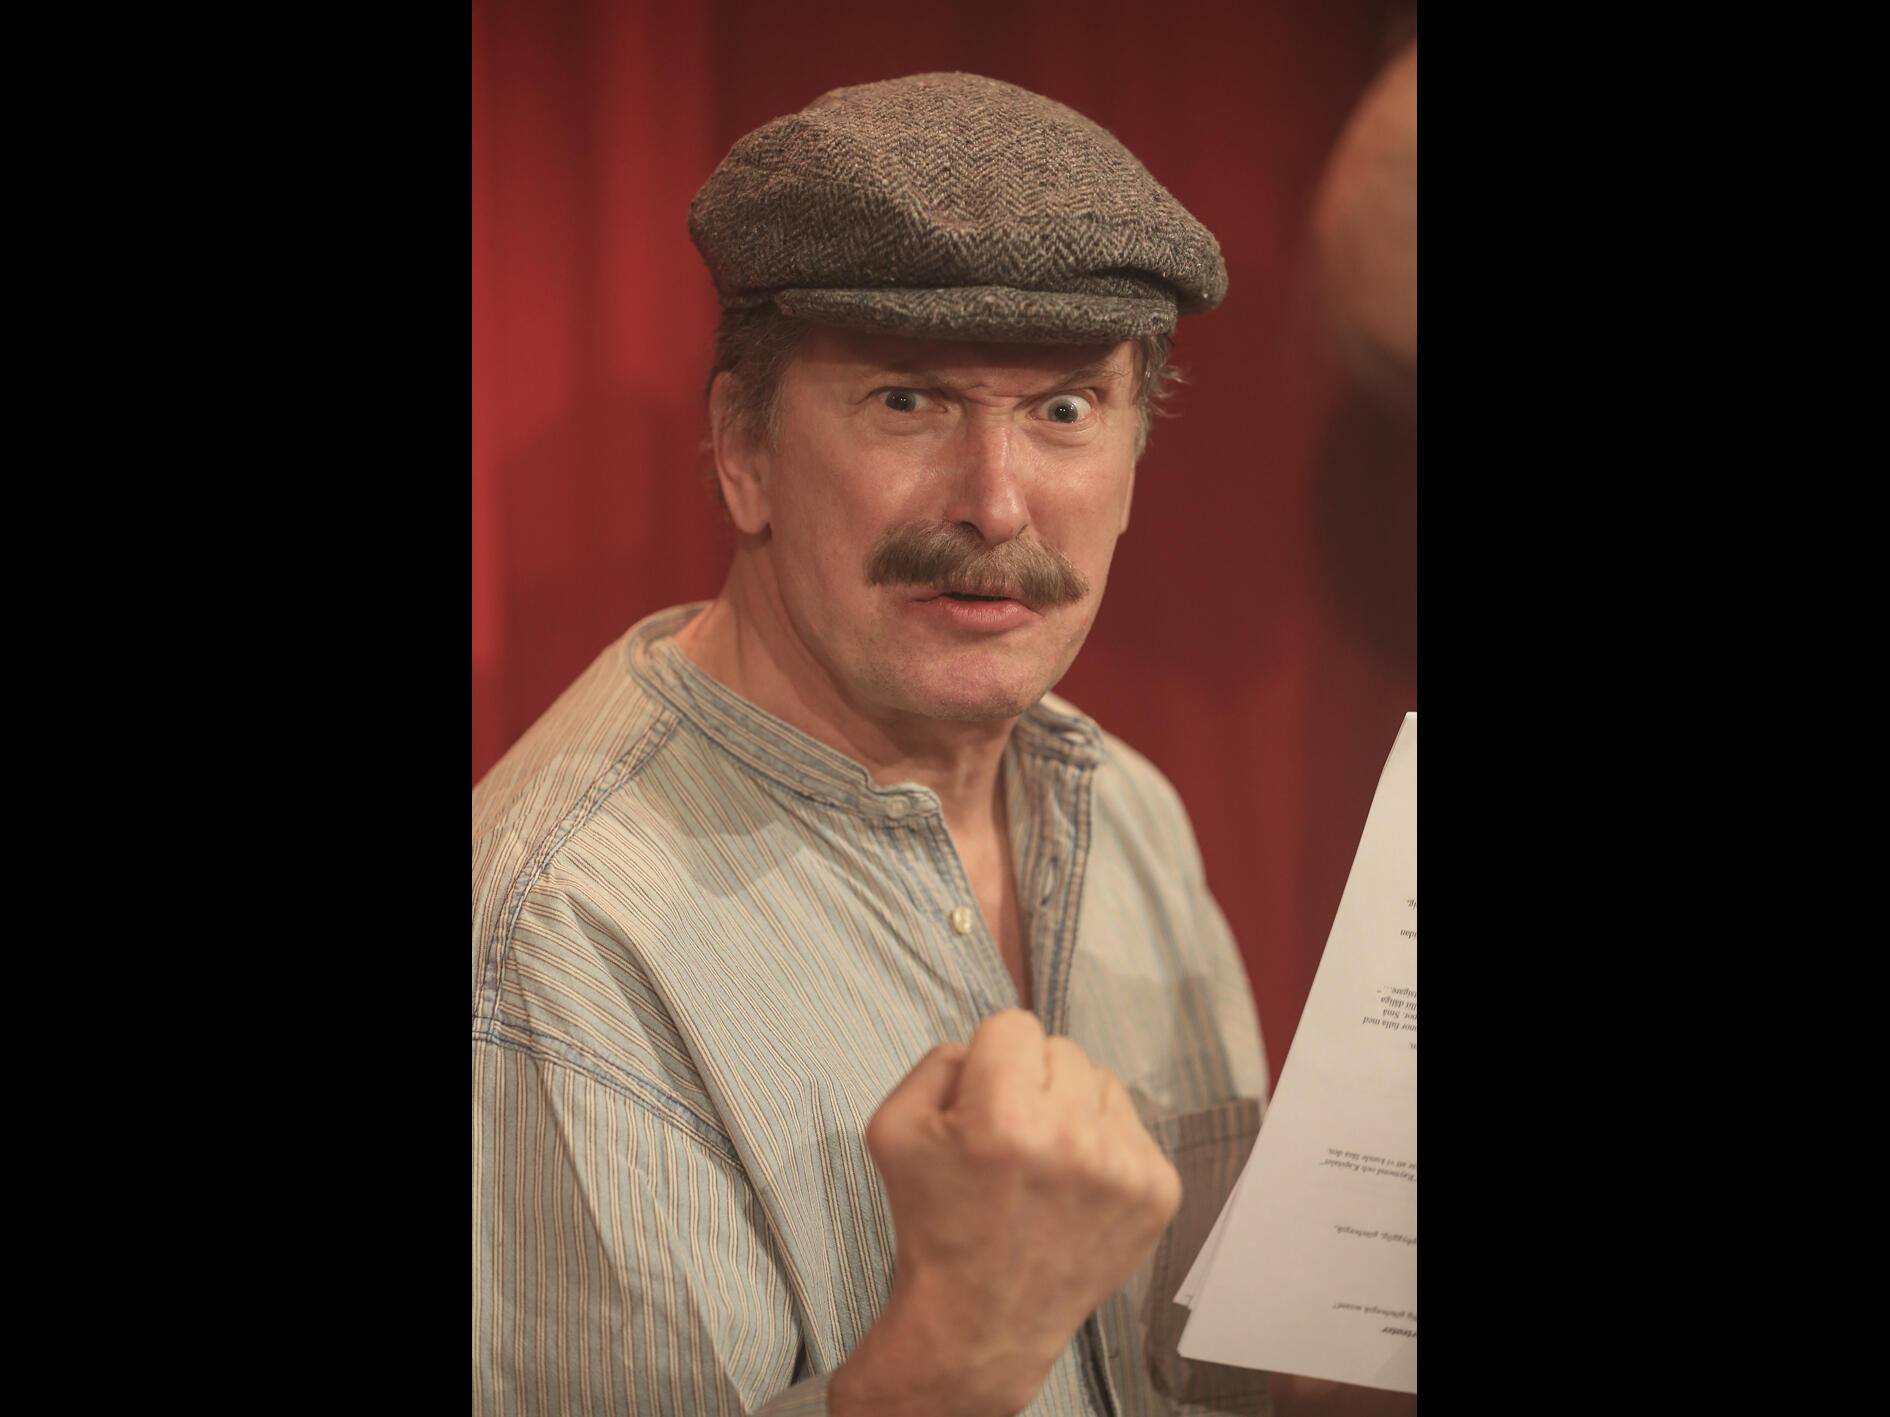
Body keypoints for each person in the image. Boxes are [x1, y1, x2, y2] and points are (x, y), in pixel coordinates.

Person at [475, 72, 1284, 1415]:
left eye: (1064, 410)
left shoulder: (1128, 809)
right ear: (741, 451)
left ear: (1136, 461)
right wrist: (953, 1356)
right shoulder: (555, 938)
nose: (996, 503)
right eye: (908, 401)